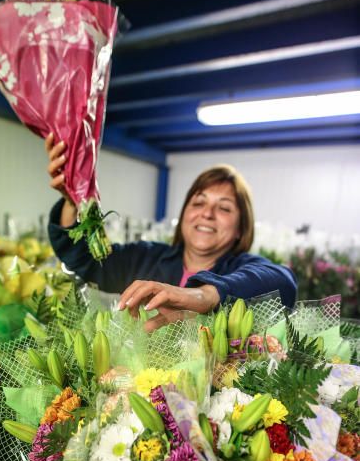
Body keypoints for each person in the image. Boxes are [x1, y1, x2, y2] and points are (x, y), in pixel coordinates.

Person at [46, 134, 296, 331]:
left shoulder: (242, 267)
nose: (207, 213)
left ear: (241, 228)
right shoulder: (148, 257)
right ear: (184, 213)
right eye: (198, 202)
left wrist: (205, 295)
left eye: (224, 208)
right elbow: (85, 259)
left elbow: (283, 282)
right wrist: (74, 201)